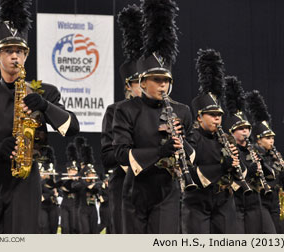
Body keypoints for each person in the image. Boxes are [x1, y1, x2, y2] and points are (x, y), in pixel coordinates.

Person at [0, 0, 79, 233]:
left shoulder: (43, 91)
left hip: (28, 181)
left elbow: (72, 127)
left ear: (26, 55)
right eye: (8, 51)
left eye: (19, 51)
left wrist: (44, 105)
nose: (14, 56)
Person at [113, 0, 193, 233]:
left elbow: (193, 153)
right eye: (157, 80)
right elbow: (120, 153)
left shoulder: (182, 111)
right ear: (142, 82)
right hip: (135, 190)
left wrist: (181, 142)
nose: (162, 85)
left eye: (166, 80)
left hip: (167, 192)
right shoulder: (126, 110)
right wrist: (160, 151)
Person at [182, 49, 239, 234]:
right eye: (212, 115)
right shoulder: (191, 138)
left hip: (223, 202)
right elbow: (189, 172)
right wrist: (221, 167)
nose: (217, 119)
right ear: (199, 117)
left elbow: (240, 172)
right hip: (197, 204)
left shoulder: (227, 139)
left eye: (219, 115)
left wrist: (236, 166)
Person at [100, 4, 142, 234]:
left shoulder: (162, 110)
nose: (145, 87)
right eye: (139, 82)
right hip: (124, 184)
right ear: (128, 85)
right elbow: (107, 156)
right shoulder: (114, 111)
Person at [222, 76, 265, 233]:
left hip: (254, 198)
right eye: (240, 129)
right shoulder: (227, 148)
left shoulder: (255, 150)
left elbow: (267, 174)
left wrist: (263, 167)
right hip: (236, 198)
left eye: (247, 128)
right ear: (232, 132)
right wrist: (248, 171)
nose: (245, 131)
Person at [246, 90, 284, 233]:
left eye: (272, 138)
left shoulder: (275, 155)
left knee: (280, 233)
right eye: (267, 138)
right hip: (260, 200)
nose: (271, 141)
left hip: (275, 200)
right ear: (258, 139)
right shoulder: (253, 154)